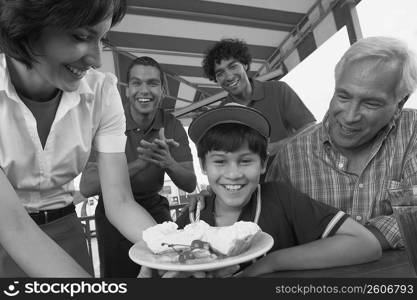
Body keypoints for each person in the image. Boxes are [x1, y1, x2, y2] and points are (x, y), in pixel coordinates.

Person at [0, 0, 156, 277]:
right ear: (24, 26)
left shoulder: (101, 94)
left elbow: (119, 200)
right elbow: (14, 226)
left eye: (102, 39)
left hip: (67, 231)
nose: (96, 59)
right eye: (81, 37)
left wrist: (169, 251)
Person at [173, 104, 381, 277]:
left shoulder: (281, 199)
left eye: (246, 161)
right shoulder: (191, 218)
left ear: (263, 164)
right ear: (203, 166)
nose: (233, 174)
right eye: (219, 161)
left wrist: (271, 262)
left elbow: (366, 244)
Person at [266, 36, 417, 250]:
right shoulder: (291, 157)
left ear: (400, 102)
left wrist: (348, 244)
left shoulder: (413, 132)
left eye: (371, 103)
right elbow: (268, 230)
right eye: (343, 97)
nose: (350, 116)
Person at [80, 56, 197, 277]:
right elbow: (87, 186)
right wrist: (140, 164)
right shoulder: (110, 119)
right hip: (111, 212)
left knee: (169, 273)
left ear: (163, 90)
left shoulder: (171, 124)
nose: (144, 90)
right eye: (136, 83)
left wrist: (167, 162)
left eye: (152, 83)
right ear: (126, 90)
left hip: (155, 206)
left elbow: (190, 183)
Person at [202, 38, 316, 158]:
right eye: (220, 73)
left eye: (233, 66)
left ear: (245, 65)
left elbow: (311, 128)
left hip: (292, 172)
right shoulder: (222, 114)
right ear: (216, 80)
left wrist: (275, 147)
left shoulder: (277, 89)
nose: (229, 76)